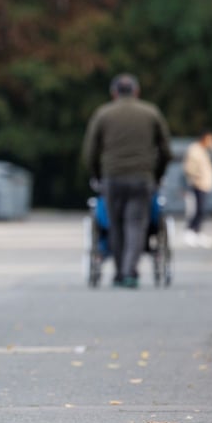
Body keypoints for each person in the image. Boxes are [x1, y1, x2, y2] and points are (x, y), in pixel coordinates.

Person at [82, 73, 172, 288]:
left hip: (112, 178)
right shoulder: (151, 113)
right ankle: (129, 271)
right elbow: (166, 150)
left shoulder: (103, 114)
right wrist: (157, 175)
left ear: (114, 93)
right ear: (136, 91)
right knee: (135, 224)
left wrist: (97, 175)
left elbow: (90, 151)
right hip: (142, 178)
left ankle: (120, 272)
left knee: (116, 224)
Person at [182, 130, 212, 248]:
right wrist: (198, 177)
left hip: (205, 185)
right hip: (198, 185)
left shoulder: (203, 151)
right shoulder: (195, 150)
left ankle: (196, 232)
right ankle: (190, 232)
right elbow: (189, 168)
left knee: (202, 210)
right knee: (198, 210)